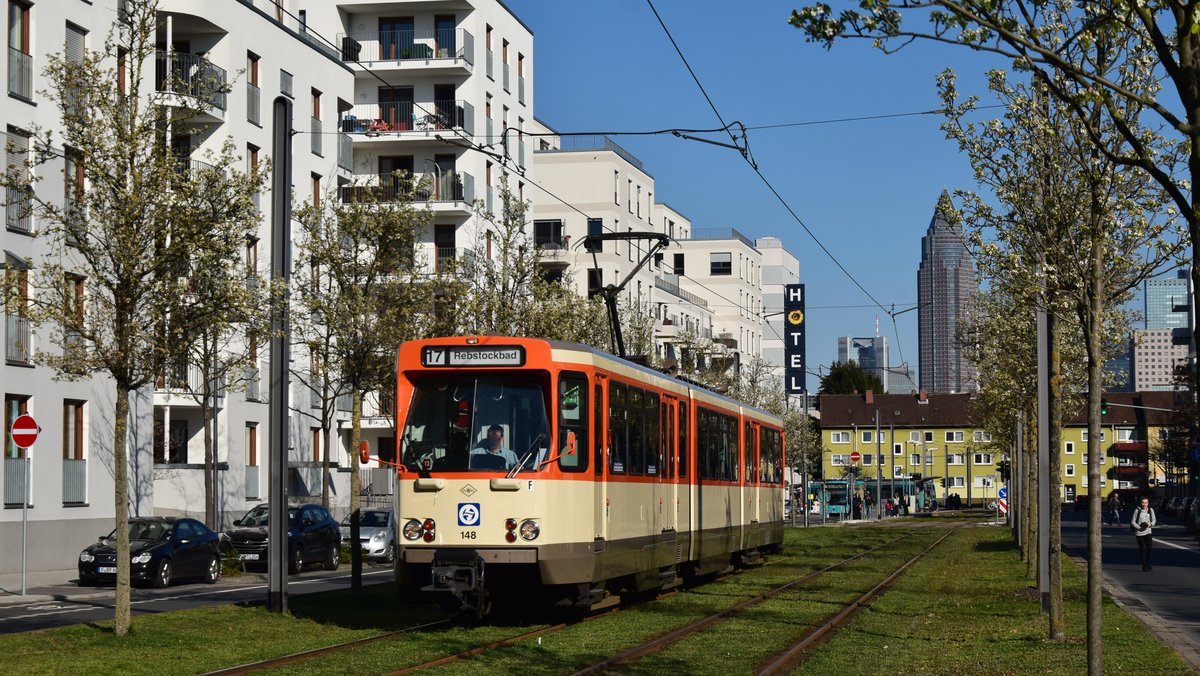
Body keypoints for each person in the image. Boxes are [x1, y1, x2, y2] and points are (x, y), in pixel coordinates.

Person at [1130, 496, 1156, 571]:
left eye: (1146, 503)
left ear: (1148, 503)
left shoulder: (1150, 510)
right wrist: (1139, 527)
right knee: (1143, 549)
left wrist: (1150, 525)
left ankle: (1147, 563)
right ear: (1140, 503)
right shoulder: (1137, 510)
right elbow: (1133, 522)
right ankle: (1144, 566)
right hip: (1139, 533)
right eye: (1143, 502)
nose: (1144, 504)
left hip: (1148, 532)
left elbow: (1154, 520)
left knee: (1149, 549)